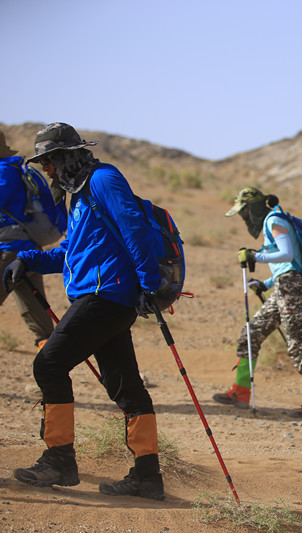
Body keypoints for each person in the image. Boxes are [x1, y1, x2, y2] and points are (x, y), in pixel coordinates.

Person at [2, 122, 165, 500]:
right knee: (126, 387)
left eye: (49, 162)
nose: (47, 171)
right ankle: (147, 477)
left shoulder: (103, 180)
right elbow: (70, 254)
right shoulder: (79, 196)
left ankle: (59, 459)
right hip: (102, 296)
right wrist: (27, 259)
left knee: (48, 364)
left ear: (65, 157)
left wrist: (148, 284)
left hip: (106, 295)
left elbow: (135, 229)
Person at [213, 187, 302, 418]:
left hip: (291, 287)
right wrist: (266, 284)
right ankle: (241, 391)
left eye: (243, 212)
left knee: (298, 341)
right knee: (251, 331)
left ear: (253, 207)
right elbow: (288, 265)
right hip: (283, 285)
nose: (243, 217)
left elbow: (286, 255)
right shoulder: (272, 220)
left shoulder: (274, 220)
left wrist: (256, 256)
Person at [0, 130, 57, 349]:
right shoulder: (13, 169)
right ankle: (49, 352)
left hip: (11, 249)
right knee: (33, 305)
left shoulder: (4, 172)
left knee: (32, 302)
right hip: (28, 249)